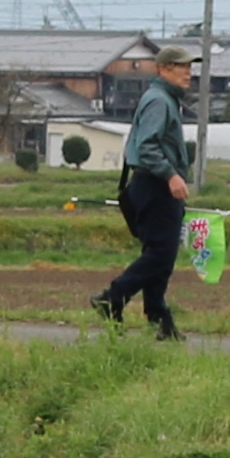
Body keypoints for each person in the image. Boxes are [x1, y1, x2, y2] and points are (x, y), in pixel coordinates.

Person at [88, 43, 202, 338]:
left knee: (159, 253)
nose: (188, 72)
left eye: (190, 66)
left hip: (152, 184)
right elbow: (148, 146)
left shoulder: (164, 99)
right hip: (155, 184)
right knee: (161, 254)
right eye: (182, 66)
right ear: (163, 69)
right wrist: (171, 176)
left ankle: (159, 320)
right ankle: (113, 298)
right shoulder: (159, 101)